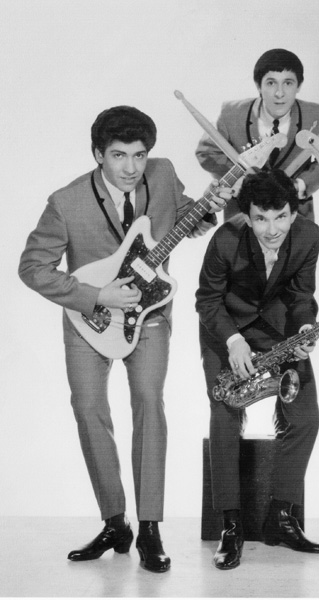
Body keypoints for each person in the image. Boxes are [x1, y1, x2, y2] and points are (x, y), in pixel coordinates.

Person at [19, 105, 231, 573]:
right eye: (119, 156)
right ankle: (116, 522)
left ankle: (150, 528)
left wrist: (207, 209)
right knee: (88, 408)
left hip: (150, 315)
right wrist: (97, 295)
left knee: (149, 404)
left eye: (139, 155)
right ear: (99, 154)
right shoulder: (66, 202)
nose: (132, 167)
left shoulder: (164, 173)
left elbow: (187, 219)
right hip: (89, 319)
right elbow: (32, 268)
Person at [195, 169, 319, 570]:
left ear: (294, 212)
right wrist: (233, 341)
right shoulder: (225, 239)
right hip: (225, 330)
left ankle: (280, 518)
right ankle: (230, 525)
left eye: (281, 216)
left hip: (279, 329)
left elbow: (302, 296)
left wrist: (304, 327)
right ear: (247, 216)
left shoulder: (309, 235)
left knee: (306, 417)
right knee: (225, 414)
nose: (272, 229)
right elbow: (207, 301)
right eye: (261, 219)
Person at [195, 48, 319, 222]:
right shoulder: (231, 113)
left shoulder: (317, 115)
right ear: (258, 85)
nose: (279, 93)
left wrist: (300, 186)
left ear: (299, 85)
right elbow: (206, 152)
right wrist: (236, 180)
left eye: (288, 83)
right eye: (271, 83)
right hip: (242, 215)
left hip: (296, 216)